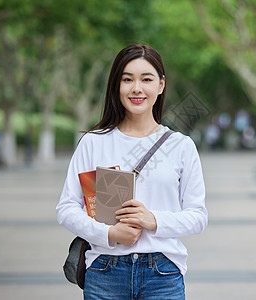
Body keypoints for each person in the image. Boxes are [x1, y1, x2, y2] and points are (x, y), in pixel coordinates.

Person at [56, 44, 208, 300]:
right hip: (105, 272)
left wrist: (153, 220)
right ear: (117, 85)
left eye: (146, 79)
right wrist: (109, 234)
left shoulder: (181, 146)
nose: (136, 88)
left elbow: (198, 217)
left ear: (160, 85)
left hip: (163, 274)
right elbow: (67, 208)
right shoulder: (94, 142)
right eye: (127, 79)